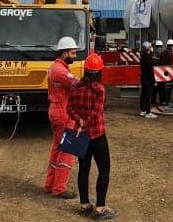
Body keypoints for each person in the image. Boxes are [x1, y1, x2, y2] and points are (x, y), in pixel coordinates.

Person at [68, 53, 116, 220]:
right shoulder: (99, 90)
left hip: (80, 134)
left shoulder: (76, 86)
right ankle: (100, 208)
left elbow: (69, 109)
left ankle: (84, 204)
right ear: (99, 72)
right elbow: (97, 112)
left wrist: (79, 122)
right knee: (104, 170)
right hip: (97, 135)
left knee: (83, 169)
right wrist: (86, 123)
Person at [43, 36, 79, 199]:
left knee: (57, 148)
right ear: (64, 53)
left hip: (57, 111)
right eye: (72, 53)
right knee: (68, 149)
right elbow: (77, 84)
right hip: (63, 113)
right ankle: (59, 188)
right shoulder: (60, 70)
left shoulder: (56, 67)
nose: (75, 56)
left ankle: (50, 185)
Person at [139, 41, 157, 119]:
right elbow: (151, 70)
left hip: (143, 78)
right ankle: (148, 112)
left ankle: (143, 110)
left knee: (143, 94)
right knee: (148, 96)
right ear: (149, 48)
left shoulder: (142, 56)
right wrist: (154, 81)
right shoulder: (148, 58)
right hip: (148, 80)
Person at [158, 38, 173, 105]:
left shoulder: (163, 52)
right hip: (170, 72)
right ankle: (168, 100)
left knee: (162, 86)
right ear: (172, 45)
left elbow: (159, 62)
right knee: (169, 86)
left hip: (162, 72)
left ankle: (162, 100)